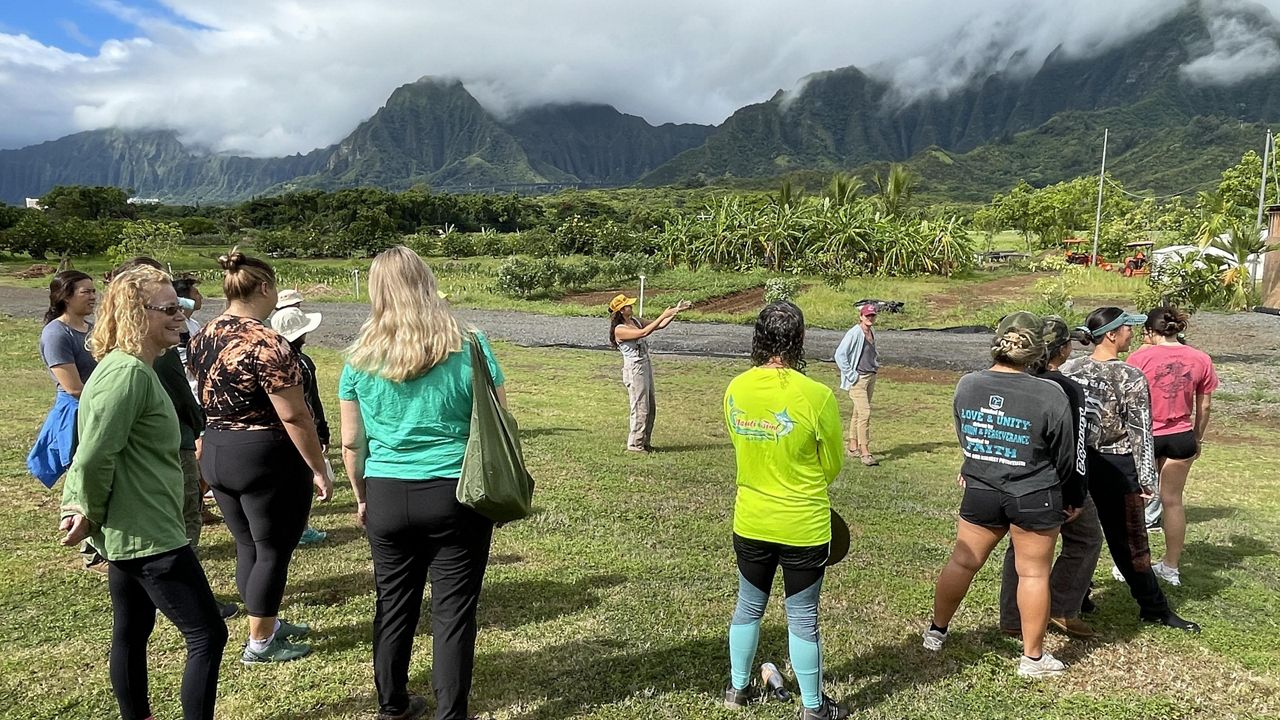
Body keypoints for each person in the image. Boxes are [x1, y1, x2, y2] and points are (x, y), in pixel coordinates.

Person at [339, 246, 504, 720]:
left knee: (393, 604)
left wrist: (362, 495)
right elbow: (497, 419)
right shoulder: (470, 343)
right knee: (453, 612)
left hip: (387, 490)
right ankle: (451, 713)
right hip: (456, 491)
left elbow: (352, 442)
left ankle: (391, 704)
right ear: (428, 283)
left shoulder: (359, 356)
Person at [59, 265, 227, 720]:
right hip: (149, 534)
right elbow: (93, 453)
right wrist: (81, 508)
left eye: (182, 306)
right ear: (136, 313)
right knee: (207, 634)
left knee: (133, 629)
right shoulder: (126, 374)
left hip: (136, 530)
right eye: (170, 309)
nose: (181, 316)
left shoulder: (134, 368)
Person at [187, 248, 332, 664]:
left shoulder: (205, 332)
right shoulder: (268, 342)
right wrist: (318, 467)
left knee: (248, 544)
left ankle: (263, 622)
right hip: (264, 456)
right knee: (272, 549)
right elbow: (294, 413)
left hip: (216, 448)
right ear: (265, 288)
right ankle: (261, 642)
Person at [923, 312, 1075, 678]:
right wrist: (1068, 496)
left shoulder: (968, 384)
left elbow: (967, 436)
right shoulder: (1051, 393)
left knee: (962, 562)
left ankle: (936, 632)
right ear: (1038, 350)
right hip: (1034, 495)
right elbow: (1065, 455)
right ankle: (1033, 659)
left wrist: (977, 464)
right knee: (1034, 574)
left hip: (981, 490)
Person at [722, 301, 847, 720]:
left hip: (751, 518)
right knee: (803, 617)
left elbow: (742, 446)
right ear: (800, 340)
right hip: (804, 525)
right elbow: (831, 464)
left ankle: (737, 689)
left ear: (757, 338)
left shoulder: (736, 388)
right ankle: (813, 708)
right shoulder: (818, 395)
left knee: (747, 607)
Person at [1061, 307, 1199, 632]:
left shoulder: (1070, 369)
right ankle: (1153, 607)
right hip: (1116, 466)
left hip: (1076, 463)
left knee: (1080, 536)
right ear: (1111, 334)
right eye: (1126, 328)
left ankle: (1078, 597)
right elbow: (1140, 432)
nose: (1131, 333)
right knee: (1131, 542)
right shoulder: (1129, 376)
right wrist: (1147, 478)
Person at [998, 315, 1103, 639]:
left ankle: (1014, 619)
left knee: (1020, 548)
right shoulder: (1067, 388)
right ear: (1062, 350)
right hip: (1055, 481)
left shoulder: (1013, 380)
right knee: (1086, 539)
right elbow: (1076, 449)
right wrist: (1076, 493)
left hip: (1015, 479)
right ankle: (1060, 607)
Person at [1127, 307, 1218, 586]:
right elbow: (1205, 404)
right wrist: (1198, 437)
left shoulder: (1139, 357)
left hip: (1147, 436)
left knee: (1138, 500)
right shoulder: (1201, 358)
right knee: (1173, 501)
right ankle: (1171, 566)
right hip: (1181, 436)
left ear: (1151, 332)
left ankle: (1130, 565)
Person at [29, 270, 98, 491]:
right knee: (84, 476)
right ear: (66, 297)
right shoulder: (56, 334)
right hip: (78, 411)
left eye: (94, 291)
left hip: (97, 406)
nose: (93, 297)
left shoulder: (93, 330)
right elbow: (74, 388)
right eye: (85, 292)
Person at [271, 304, 330, 545]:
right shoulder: (302, 362)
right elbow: (311, 400)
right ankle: (301, 528)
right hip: (300, 428)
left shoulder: (271, 358)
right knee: (303, 478)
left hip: (275, 431)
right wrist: (321, 431)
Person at [608, 293, 686, 453]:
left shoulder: (635, 321)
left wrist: (675, 311)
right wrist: (663, 314)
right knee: (640, 407)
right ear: (621, 310)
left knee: (650, 405)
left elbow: (659, 325)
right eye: (628, 305)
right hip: (634, 369)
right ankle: (635, 445)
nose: (631, 306)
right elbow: (644, 333)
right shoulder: (619, 330)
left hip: (645, 365)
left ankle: (645, 442)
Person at [834, 304, 880, 466]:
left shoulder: (870, 332)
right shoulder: (855, 332)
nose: (870, 318)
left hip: (870, 376)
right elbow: (840, 354)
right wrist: (851, 375)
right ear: (861, 316)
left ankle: (853, 446)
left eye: (872, 315)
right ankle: (865, 451)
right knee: (865, 413)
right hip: (858, 379)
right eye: (867, 315)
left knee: (857, 413)